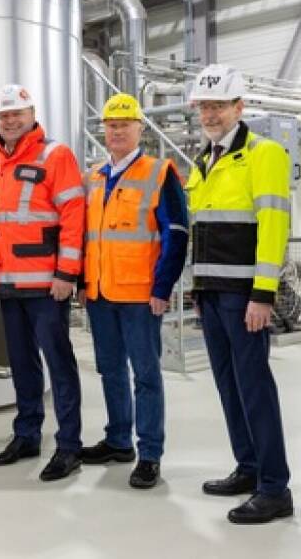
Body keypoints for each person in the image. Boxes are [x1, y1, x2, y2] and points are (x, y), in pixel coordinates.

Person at [186, 65, 294, 523]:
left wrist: (263, 294)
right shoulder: (203, 160)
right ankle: (248, 468)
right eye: (204, 107)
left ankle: (274, 488)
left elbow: (273, 225)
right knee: (228, 386)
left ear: (239, 107)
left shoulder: (262, 154)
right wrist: (196, 288)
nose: (210, 115)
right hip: (211, 294)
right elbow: (203, 230)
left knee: (254, 388)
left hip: (244, 296)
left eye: (218, 106)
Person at [78, 93, 189, 490]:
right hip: (100, 293)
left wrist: (163, 286)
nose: (117, 131)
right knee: (110, 370)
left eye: (125, 124)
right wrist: (83, 283)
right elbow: (85, 236)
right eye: (111, 125)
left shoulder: (159, 173)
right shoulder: (93, 177)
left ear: (140, 128)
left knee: (145, 376)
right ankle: (118, 440)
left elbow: (177, 233)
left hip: (141, 296)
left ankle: (150, 454)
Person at [0, 84, 86, 482]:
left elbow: (73, 215)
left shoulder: (55, 155)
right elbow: (1, 222)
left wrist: (67, 273)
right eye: (4, 115)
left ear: (31, 114)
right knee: (22, 365)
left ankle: (69, 446)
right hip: (9, 284)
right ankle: (26, 435)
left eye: (17, 113)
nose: (10, 120)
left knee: (59, 365)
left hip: (47, 285)